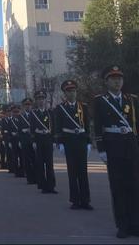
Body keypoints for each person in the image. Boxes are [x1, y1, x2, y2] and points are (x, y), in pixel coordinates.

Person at [94, 65, 139, 238]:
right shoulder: (100, 101)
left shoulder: (132, 100)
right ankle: (123, 225)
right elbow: (97, 126)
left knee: (134, 185)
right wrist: (101, 148)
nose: (117, 81)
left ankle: (135, 223)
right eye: (113, 78)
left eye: (119, 78)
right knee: (118, 187)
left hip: (131, 146)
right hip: (113, 147)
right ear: (106, 81)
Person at [54, 79, 92, 211]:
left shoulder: (83, 107)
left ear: (76, 92)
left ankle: (85, 200)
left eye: (73, 91)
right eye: (69, 91)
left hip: (81, 141)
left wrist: (89, 142)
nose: (72, 93)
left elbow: (87, 126)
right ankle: (75, 200)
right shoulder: (60, 109)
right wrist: (60, 143)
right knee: (72, 172)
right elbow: (57, 126)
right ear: (65, 93)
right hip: (69, 142)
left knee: (83, 171)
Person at [30, 90, 57, 194]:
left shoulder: (50, 112)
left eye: (42, 99)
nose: (41, 101)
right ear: (36, 101)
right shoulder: (34, 114)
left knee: (50, 164)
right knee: (40, 163)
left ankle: (51, 186)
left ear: (45, 100)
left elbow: (53, 127)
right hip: (39, 139)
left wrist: (54, 141)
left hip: (48, 139)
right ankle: (43, 186)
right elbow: (32, 128)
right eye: (39, 99)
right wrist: (33, 141)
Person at [17, 98, 36, 185]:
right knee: (27, 160)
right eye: (26, 105)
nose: (28, 106)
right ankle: (30, 178)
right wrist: (20, 141)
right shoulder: (20, 117)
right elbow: (19, 130)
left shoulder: (35, 114)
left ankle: (36, 177)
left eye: (29, 105)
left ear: (31, 106)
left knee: (35, 159)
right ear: (24, 106)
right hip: (25, 140)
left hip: (33, 140)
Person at [10, 105, 24, 178]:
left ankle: (22, 171)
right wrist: (9, 141)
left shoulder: (22, 119)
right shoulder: (10, 120)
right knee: (15, 157)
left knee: (22, 156)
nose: (16, 114)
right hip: (13, 140)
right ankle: (16, 171)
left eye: (17, 112)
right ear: (12, 112)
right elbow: (8, 131)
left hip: (20, 140)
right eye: (14, 112)